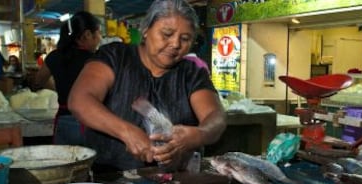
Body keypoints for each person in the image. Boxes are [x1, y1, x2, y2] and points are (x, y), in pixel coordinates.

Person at [68, 0, 226, 171]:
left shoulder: (191, 73)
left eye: (185, 38)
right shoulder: (115, 57)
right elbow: (79, 100)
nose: (175, 44)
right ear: (145, 30)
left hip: (176, 182)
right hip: (111, 178)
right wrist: (126, 132)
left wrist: (199, 135)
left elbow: (215, 116)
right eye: (166, 34)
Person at [34, 11, 101, 145]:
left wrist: (59, 89)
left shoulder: (54, 56)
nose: (100, 38)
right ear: (87, 35)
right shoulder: (96, 60)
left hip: (63, 122)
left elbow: (38, 81)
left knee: (64, 164)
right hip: (88, 124)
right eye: (99, 33)